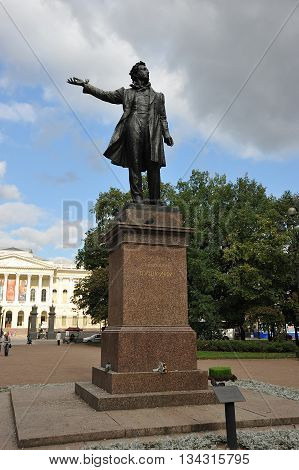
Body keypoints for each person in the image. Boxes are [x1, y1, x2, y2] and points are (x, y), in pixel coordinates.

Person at [67, 61, 174, 204]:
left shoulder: (159, 96)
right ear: (136, 74)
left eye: (147, 69)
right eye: (143, 69)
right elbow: (106, 95)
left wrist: (166, 134)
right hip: (133, 126)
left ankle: (155, 199)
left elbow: (162, 116)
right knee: (134, 163)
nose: (147, 71)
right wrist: (86, 86)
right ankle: (137, 198)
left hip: (153, 130)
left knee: (153, 164)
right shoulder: (126, 93)